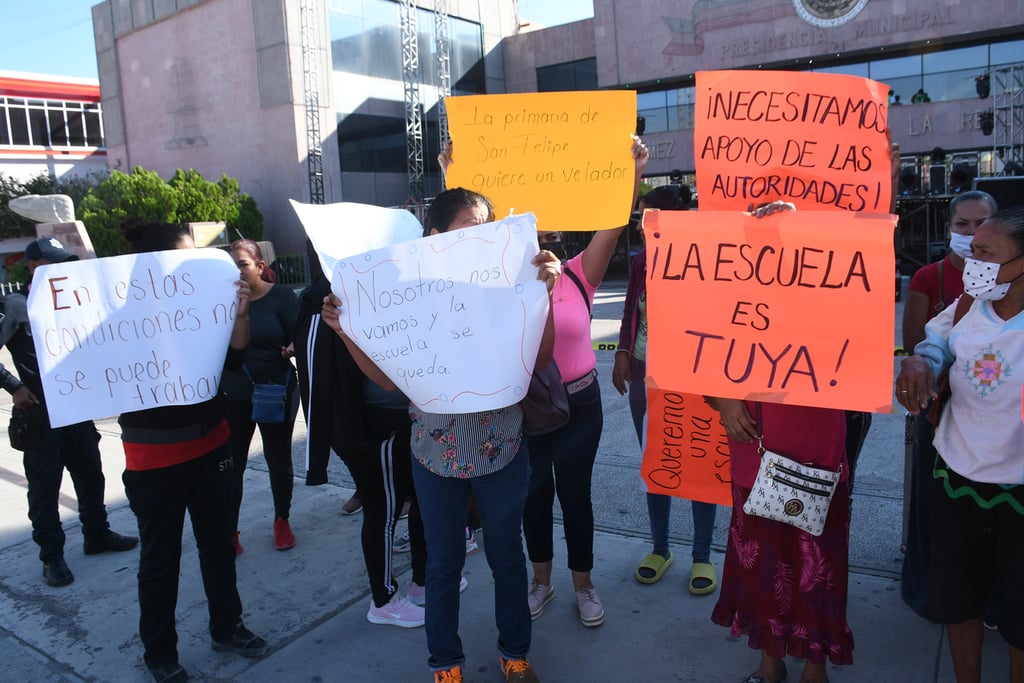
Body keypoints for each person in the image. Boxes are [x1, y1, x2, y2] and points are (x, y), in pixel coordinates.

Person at [322, 187, 559, 683]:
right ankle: (445, 663)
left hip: (502, 449)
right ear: (435, 237)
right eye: (471, 226)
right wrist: (345, 331)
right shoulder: (407, 294)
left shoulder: (507, 284)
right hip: (435, 456)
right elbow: (387, 381)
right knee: (443, 563)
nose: (484, 235)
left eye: (488, 225)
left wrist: (545, 296)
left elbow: (539, 358)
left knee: (507, 558)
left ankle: (515, 654)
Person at [707, 201, 854, 683]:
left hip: (817, 452)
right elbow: (698, 356)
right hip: (755, 451)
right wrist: (724, 400)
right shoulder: (726, 293)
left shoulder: (834, 290)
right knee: (763, 565)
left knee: (818, 566)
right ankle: (769, 660)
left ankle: (815, 664)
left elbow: (868, 276)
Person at [117, 220, 267, 683]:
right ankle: (160, 652)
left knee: (218, 545)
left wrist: (240, 313)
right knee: (160, 558)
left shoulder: (203, 302)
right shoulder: (119, 313)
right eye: (185, 257)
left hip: (212, 444)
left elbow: (234, 360)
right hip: (154, 456)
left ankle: (228, 626)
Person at [522, 137, 648, 628]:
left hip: (579, 407)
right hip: (527, 409)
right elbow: (462, 241)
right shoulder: (498, 283)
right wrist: (457, 172)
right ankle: (541, 582)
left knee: (575, 497)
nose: (543, 232)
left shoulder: (578, 274)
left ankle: (583, 584)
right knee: (533, 495)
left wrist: (633, 173)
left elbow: (613, 225)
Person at [896, 206, 1024, 683]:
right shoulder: (970, 305)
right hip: (957, 480)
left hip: (1018, 492)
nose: (974, 264)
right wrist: (919, 363)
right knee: (958, 603)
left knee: (1019, 619)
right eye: (973, 252)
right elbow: (935, 344)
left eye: (986, 254)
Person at [0, 237, 138, 587]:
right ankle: (52, 556)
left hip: (77, 407)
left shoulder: (73, 303)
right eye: (55, 264)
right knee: (45, 487)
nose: (64, 270)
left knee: (91, 475)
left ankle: (97, 534)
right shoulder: (16, 305)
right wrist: (14, 387)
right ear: (34, 267)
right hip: (40, 413)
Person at [611, 184, 719, 593]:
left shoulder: (708, 254)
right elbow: (630, 308)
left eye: (649, 216)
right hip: (646, 374)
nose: (642, 225)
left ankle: (702, 555)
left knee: (699, 463)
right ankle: (660, 548)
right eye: (640, 217)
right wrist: (623, 351)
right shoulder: (642, 260)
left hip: (696, 375)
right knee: (657, 461)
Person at [900, 191, 998, 613]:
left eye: (981, 225)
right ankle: (931, 589)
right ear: (949, 229)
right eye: (962, 224)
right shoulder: (930, 277)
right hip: (941, 412)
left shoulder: (1009, 279)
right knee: (936, 504)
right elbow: (918, 345)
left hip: (996, 424)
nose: (972, 234)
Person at [221, 239, 300, 553]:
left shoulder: (280, 297)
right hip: (235, 394)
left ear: (260, 266)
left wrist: (292, 347)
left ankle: (282, 520)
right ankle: (230, 530)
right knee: (233, 462)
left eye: (242, 264)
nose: (237, 271)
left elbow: (300, 334)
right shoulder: (218, 300)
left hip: (276, 391)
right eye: (231, 266)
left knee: (278, 459)